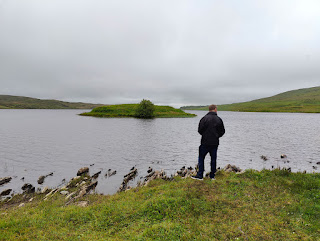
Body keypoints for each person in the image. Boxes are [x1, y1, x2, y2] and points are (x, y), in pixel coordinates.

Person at [192, 104, 225, 180]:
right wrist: (217, 136)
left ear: (209, 109)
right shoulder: (219, 119)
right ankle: (212, 176)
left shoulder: (204, 119)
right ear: (215, 109)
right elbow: (222, 131)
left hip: (205, 142)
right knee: (213, 159)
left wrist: (205, 135)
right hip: (215, 143)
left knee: (201, 158)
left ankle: (200, 175)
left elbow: (200, 130)